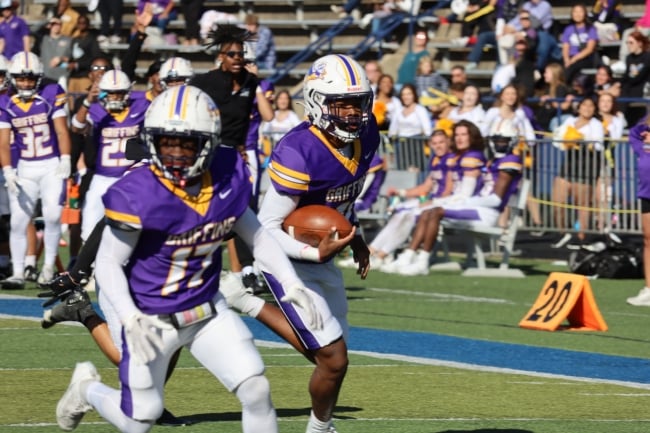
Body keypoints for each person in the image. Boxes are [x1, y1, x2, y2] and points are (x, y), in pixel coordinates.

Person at [55, 84, 321, 433]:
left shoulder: (227, 175)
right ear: (152, 140)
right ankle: (86, 389)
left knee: (256, 387)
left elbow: (256, 235)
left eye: (186, 143)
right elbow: (107, 263)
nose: (176, 153)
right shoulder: (138, 192)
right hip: (150, 313)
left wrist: (290, 282)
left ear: (208, 143)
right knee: (140, 420)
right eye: (167, 142)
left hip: (205, 309)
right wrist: (130, 315)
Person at [257, 53, 379, 433]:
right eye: (340, 104)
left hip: (323, 255)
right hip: (287, 258)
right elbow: (266, 228)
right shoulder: (298, 150)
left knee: (329, 354)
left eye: (357, 104)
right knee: (334, 359)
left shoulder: (368, 133)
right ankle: (319, 429)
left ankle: (244, 301)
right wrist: (313, 250)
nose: (352, 114)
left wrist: (354, 232)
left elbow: (341, 199)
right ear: (315, 102)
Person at [396, 122, 523, 276]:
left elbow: (496, 199)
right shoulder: (494, 161)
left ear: (512, 141)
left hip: (487, 213)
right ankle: (410, 255)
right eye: (496, 140)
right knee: (428, 210)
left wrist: (466, 201)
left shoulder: (510, 161)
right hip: (478, 208)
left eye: (503, 141)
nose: (499, 144)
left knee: (435, 212)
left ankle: (422, 261)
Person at [0, 52, 71, 289]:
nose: (26, 83)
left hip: (51, 164)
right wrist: (8, 169)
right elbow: (3, 141)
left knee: (52, 216)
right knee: (19, 221)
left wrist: (66, 158)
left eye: (30, 79)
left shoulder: (51, 94)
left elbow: (61, 130)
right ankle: (18, 272)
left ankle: (48, 268)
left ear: (39, 78)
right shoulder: (6, 102)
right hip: (25, 167)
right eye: (21, 78)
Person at [339, 129, 452, 270]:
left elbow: (449, 190)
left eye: (441, 142)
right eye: (434, 143)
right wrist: (401, 192)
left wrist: (432, 202)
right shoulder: (436, 160)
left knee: (407, 215)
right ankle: (372, 253)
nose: (438, 146)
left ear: (448, 142)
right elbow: (426, 187)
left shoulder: (452, 160)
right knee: (400, 213)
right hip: (436, 202)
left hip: (447, 204)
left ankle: (383, 255)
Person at [385, 119, 486, 273]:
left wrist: (434, 200)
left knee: (427, 210)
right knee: (416, 210)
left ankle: (415, 259)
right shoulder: (457, 157)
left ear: (472, 136)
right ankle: (406, 255)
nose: (459, 138)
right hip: (456, 202)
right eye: (457, 134)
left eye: (464, 134)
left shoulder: (472, 157)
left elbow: (464, 194)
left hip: (472, 205)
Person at [71, 69, 151, 242]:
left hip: (131, 178)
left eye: (119, 93)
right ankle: (90, 267)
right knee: (89, 229)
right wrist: (87, 102)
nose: (114, 97)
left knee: (133, 229)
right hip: (102, 178)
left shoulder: (140, 105)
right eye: (111, 93)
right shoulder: (96, 109)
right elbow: (76, 127)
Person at [550, 97, 604, 248]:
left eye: (590, 105)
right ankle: (562, 232)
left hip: (586, 164)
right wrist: (569, 138)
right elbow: (558, 138)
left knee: (582, 204)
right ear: (578, 108)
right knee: (557, 202)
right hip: (569, 164)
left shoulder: (596, 124)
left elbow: (598, 144)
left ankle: (581, 238)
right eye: (584, 105)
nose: (587, 108)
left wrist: (579, 138)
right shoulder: (569, 121)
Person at [626, 115, 650, 306]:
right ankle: (649, 289)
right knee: (648, 239)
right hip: (646, 191)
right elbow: (633, 135)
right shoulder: (643, 129)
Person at [560, 3, 600, 86]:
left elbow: (589, 49)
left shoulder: (591, 29)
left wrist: (574, 59)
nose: (577, 14)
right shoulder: (568, 29)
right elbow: (565, 46)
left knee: (573, 67)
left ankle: (564, 86)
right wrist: (567, 59)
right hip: (570, 57)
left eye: (580, 12)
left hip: (584, 58)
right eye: (575, 12)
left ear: (584, 13)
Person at [67, 14, 102, 101]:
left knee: (84, 100)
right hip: (73, 76)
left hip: (85, 76)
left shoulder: (92, 39)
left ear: (88, 24)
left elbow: (95, 58)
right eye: (79, 23)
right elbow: (72, 56)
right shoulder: (75, 39)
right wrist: (68, 62)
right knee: (71, 102)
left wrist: (78, 65)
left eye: (84, 23)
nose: (81, 25)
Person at [619, 31, 650, 126]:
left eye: (631, 43)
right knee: (621, 88)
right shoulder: (629, 58)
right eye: (627, 43)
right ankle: (621, 117)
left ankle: (621, 116)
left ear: (639, 43)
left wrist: (626, 81)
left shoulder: (647, 57)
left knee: (625, 88)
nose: (628, 45)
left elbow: (640, 76)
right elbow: (626, 76)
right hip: (631, 86)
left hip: (644, 86)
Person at [40, 17, 73, 86]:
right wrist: (48, 21)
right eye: (53, 24)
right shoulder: (44, 39)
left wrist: (61, 59)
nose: (56, 27)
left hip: (61, 76)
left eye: (58, 24)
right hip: (45, 75)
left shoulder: (68, 40)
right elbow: (35, 30)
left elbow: (71, 58)